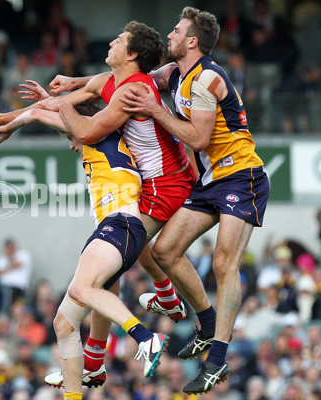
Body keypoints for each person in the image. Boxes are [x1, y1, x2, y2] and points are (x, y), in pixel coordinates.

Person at [0, 20, 203, 388]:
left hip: (155, 194)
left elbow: (80, 127)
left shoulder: (121, 108)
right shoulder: (109, 85)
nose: (110, 40)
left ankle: (152, 328)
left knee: (92, 285)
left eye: (119, 40)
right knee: (78, 310)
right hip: (124, 215)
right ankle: (94, 363)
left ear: (131, 54)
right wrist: (9, 118)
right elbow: (58, 106)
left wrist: (54, 112)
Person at [115, 7, 269, 393]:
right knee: (164, 251)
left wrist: (153, 109)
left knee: (223, 263)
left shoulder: (209, 79)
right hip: (210, 180)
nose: (169, 35)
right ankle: (206, 320)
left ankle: (217, 360)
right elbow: (126, 80)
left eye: (177, 31)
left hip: (241, 175)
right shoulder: (174, 74)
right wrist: (76, 84)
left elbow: (198, 139)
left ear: (192, 41)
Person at [0, 101, 169, 398]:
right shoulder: (106, 139)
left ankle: (145, 338)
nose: (71, 144)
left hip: (119, 226)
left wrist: (8, 122)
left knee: (81, 290)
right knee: (65, 323)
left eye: (70, 136)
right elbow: (62, 116)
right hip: (123, 231)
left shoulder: (95, 134)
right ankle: (82, 380)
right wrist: (54, 101)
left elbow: (40, 115)